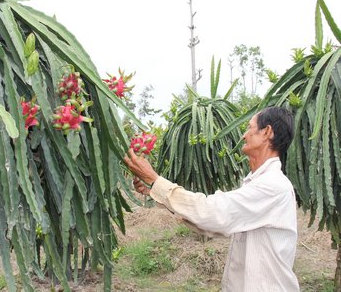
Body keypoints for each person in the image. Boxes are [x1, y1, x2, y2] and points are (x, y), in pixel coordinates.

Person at [124, 107, 299, 292]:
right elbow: (209, 224)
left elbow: (212, 213)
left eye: (249, 128)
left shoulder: (272, 186)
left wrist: (155, 180)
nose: (244, 136)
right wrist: (155, 190)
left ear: (267, 132)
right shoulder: (260, 183)